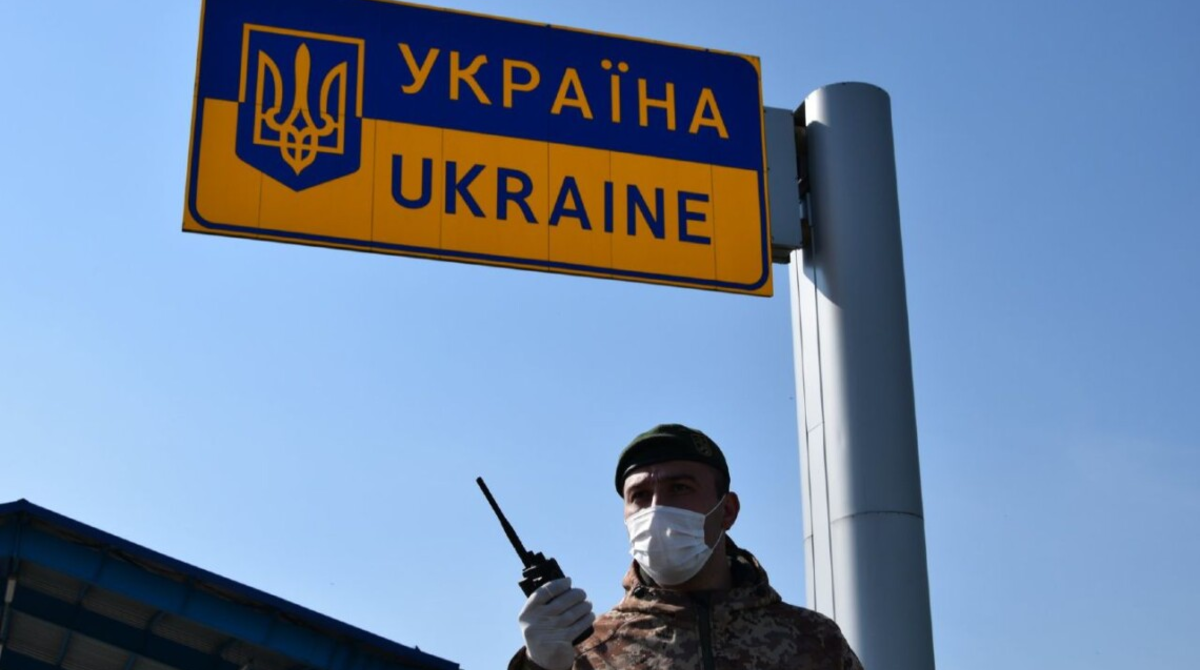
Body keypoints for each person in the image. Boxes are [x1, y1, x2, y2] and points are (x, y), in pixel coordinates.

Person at [508, 423, 864, 670]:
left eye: (679, 488)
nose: (656, 509)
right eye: (639, 495)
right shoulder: (587, 650)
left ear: (727, 510)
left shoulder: (813, 640)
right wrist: (537, 667)